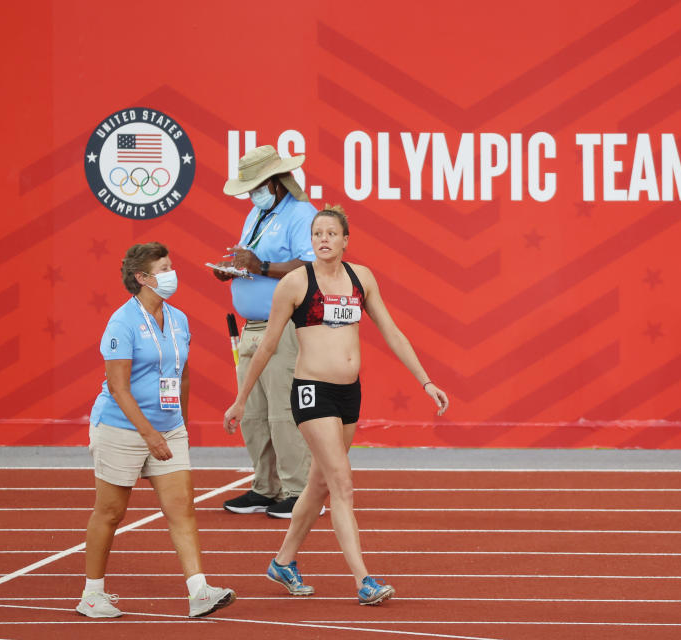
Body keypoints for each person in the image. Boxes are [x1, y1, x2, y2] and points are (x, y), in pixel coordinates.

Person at [223, 205, 448, 605]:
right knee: (342, 483)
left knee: (320, 483)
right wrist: (241, 399)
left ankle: (283, 561)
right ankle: (364, 581)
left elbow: (393, 333)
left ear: (345, 240)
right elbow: (269, 345)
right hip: (311, 391)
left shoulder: (362, 278)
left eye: (331, 233)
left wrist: (425, 381)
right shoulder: (294, 283)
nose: (323, 239)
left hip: (349, 393)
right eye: (317, 234)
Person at [79, 242, 235, 619]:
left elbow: (181, 375)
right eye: (163, 268)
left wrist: (178, 422)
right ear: (142, 278)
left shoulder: (178, 319)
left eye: (170, 265)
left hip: (168, 429)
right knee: (111, 512)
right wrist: (149, 435)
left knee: (182, 509)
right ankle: (92, 594)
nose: (171, 274)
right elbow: (118, 386)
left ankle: (199, 591)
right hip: (122, 429)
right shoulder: (122, 322)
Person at [214, 145, 320, 519]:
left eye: (256, 185)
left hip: (285, 326)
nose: (251, 193)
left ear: (275, 181)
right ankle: (266, 486)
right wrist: (235, 270)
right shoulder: (257, 213)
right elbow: (254, 262)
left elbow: (312, 266)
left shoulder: (301, 213)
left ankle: (299, 490)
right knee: (255, 412)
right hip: (253, 327)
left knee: (282, 411)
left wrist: (261, 266)